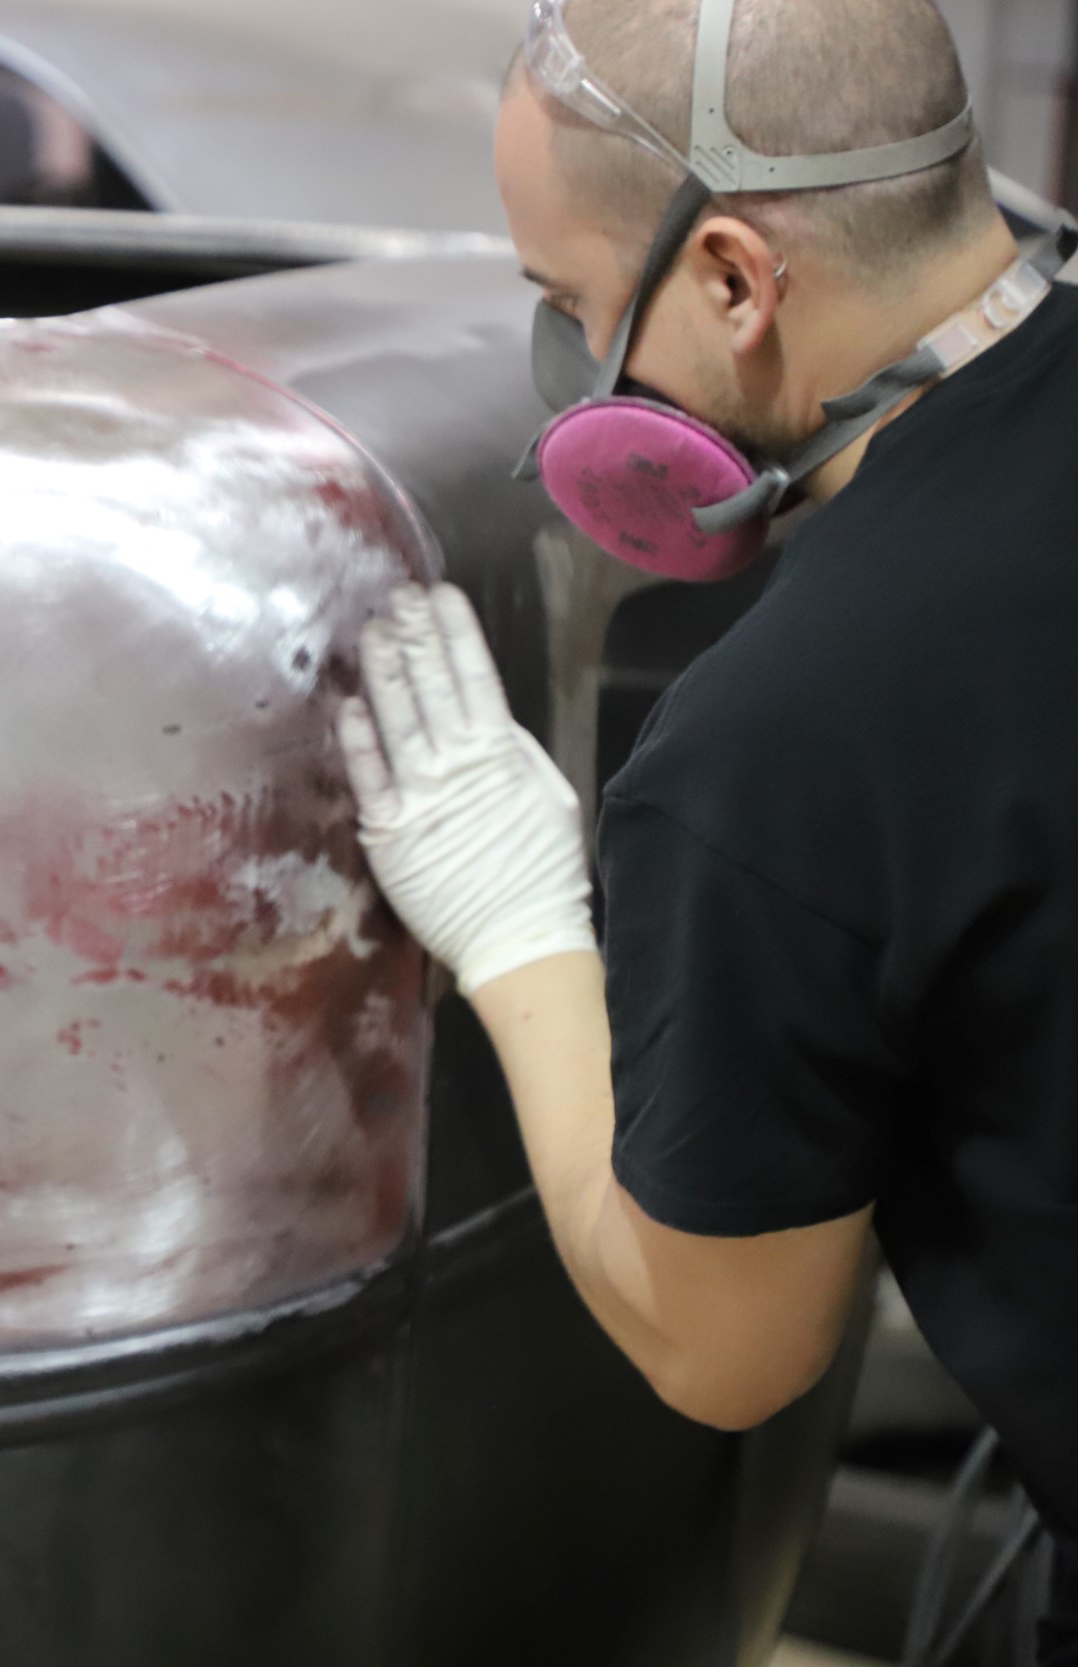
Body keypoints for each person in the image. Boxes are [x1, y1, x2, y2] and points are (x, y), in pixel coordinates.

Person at [335, 0, 1078, 1658]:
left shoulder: (785, 743)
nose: (569, 363)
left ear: (736, 280)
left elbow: (726, 1347)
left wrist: (522, 936)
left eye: (574, 303)